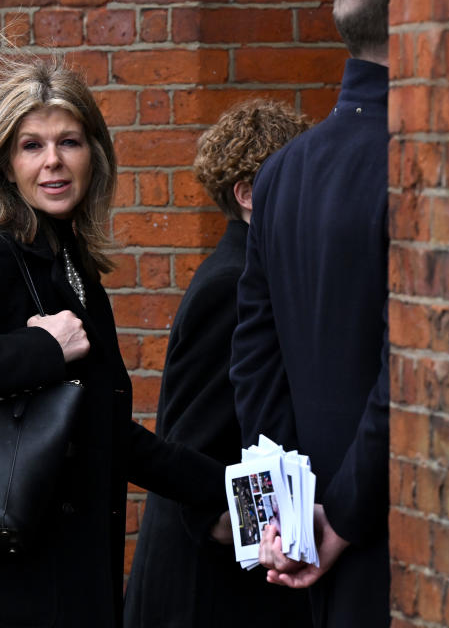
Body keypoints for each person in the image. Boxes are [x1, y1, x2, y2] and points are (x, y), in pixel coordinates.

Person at [0, 48, 232, 627]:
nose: (53, 162)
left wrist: (220, 489)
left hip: (52, 574)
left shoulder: (72, 267)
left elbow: (101, 428)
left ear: (94, 154)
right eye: (32, 146)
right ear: (5, 165)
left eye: (69, 142)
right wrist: (42, 350)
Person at [229, 0, 391, 626]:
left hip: (309, 544)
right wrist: (340, 518)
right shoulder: (419, 162)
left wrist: (284, 521)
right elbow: (408, 366)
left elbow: (252, 366)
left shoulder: (280, 172)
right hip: (384, 538)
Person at [123, 99, 313, 627]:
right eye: (293, 174)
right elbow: (193, 450)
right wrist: (268, 537)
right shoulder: (231, 286)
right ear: (248, 195)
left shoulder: (256, 275)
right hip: (207, 590)